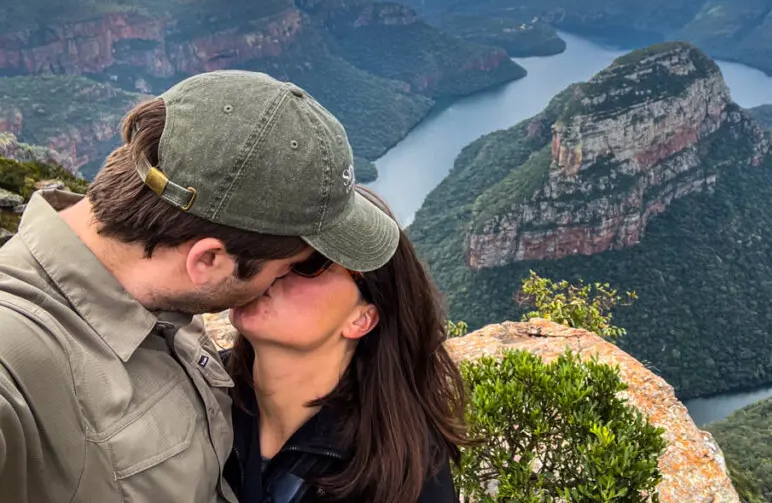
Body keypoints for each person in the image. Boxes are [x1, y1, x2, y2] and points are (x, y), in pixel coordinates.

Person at [0, 70, 400, 503]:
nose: (278, 283)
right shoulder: (17, 356)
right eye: (290, 267)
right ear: (208, 260)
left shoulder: (168, 307)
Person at [223, 186, 467, 503]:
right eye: (269, 245)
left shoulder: (402, 470)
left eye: (310, 263)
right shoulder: (197, 392)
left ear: (361, 319)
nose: (272, 267)